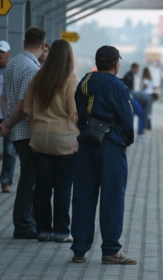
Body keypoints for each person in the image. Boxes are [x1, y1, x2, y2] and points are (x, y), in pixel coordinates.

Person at [71, 45, 136, 265]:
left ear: (98, 63)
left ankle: (79, 249)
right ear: (116, 64)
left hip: (87, 143)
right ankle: (110, 250)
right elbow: (127, 119)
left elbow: (79, 112)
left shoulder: (85, 82)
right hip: (111, 146)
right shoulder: (118, 86)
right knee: (112, 198)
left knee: (83, 195)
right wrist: (125, 141)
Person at [24, 39, 79, 243]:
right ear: (68, 57)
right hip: (64, 139)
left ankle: (43, 230)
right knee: (63, 188)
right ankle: (62, 232)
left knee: (42, 187)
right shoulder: (70, 79)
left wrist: (39, 123)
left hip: (39, 138)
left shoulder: (38, 77)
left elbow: (27, 109)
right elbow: (74, 112)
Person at [1, 27, 46, 239]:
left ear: (24, 41)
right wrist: (8, 125)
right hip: (25, 131)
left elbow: (5, 98)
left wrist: (4, 122)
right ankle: (24, 225)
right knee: (30, 180)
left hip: (14, 129)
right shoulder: (31, 68)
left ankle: (25, 223)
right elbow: (22, 105)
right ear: (43, 45)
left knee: (28, 178)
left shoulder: (14, 63)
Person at [0, 40, 16, 193]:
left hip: (8, 116)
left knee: (9, 151)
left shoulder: (13, 70)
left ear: (8, 53)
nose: (0, 55)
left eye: (2, 52)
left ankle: (6, 182)